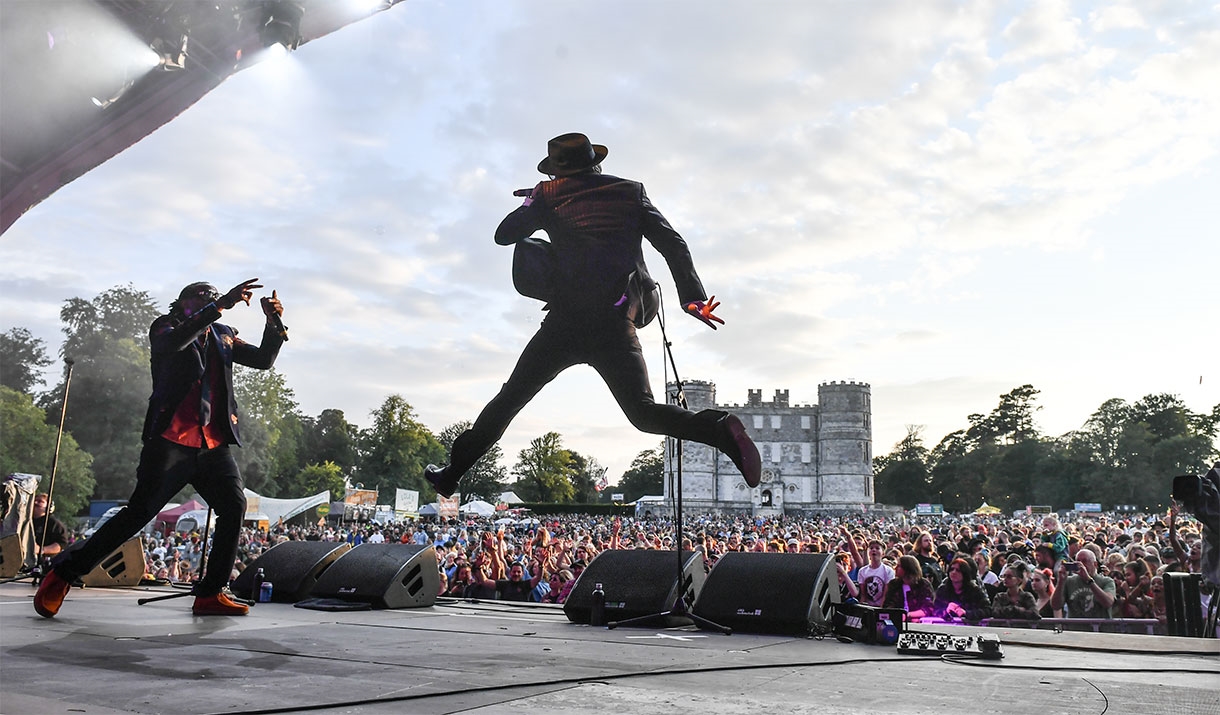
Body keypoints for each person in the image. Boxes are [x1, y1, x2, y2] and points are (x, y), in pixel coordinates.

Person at [425, 133, 761, 498]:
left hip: (564, 324)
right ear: (595, 163)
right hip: (616, 321)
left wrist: (533, 203)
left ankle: (451, 474)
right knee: (644, 413)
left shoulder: (548, 196)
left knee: (509, 401)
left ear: (557, 171)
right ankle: (719, 430)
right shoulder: (630, 191)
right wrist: (691, 299)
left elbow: (503, 236)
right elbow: (673, 243)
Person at [34, 279, 286, 618]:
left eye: (213, 296)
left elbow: (263, 360)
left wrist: (273, 323)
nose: (210, 300)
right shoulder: (166, 327)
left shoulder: (222, 334)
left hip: (212, 443)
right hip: (171, 440)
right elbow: (173, 344)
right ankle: (63, 573)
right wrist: (219, 306)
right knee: (138, 514)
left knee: (234, 505)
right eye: (203, 296)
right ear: (183, 301)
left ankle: (210, 593)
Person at [1050, 547, 1116, 619]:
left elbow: (1108, 603)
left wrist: (1089, 580)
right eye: (1078, 561)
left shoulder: (1107, 581)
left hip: (1099, 628)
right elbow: (1055, 606)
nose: (1081, 564)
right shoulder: (1069, 581)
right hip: (1075, 628)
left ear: (1095, 564)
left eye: (1085, 561)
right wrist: (1061, 581)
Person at [933, 557, 992, 623]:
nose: (954, 572)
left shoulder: (975, 591)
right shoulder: (942, 590)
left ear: (965, 574)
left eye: (958, 570)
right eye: (951, 569)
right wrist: (946, 611)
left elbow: (988, 610)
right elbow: (934, 610)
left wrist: (966, 613)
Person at [881, 555, 934, 621]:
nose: (896, 568)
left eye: (899, 566)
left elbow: (928, 608)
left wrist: (908, 615)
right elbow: (887, 605)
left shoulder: (923, 584)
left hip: (919, 621)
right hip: (897, 621)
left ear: (908, 568)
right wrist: (897, 615)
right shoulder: (894, 584)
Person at [855, 539, 895, 607]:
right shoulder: (862, 571)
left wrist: (880, 610)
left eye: (877, 548)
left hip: (882, 607)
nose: (874, 550)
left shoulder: (888, 571)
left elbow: (886, 594)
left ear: (883, 553)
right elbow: (863, 595)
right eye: (871, 548)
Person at [30, 493, 70, 559]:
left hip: (43, 562)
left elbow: (61, 544)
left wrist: (41, 550)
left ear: (49, 507)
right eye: (35, 500)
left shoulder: (54, 523)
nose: (35, 503)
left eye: (40, 501)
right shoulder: (25, 521)